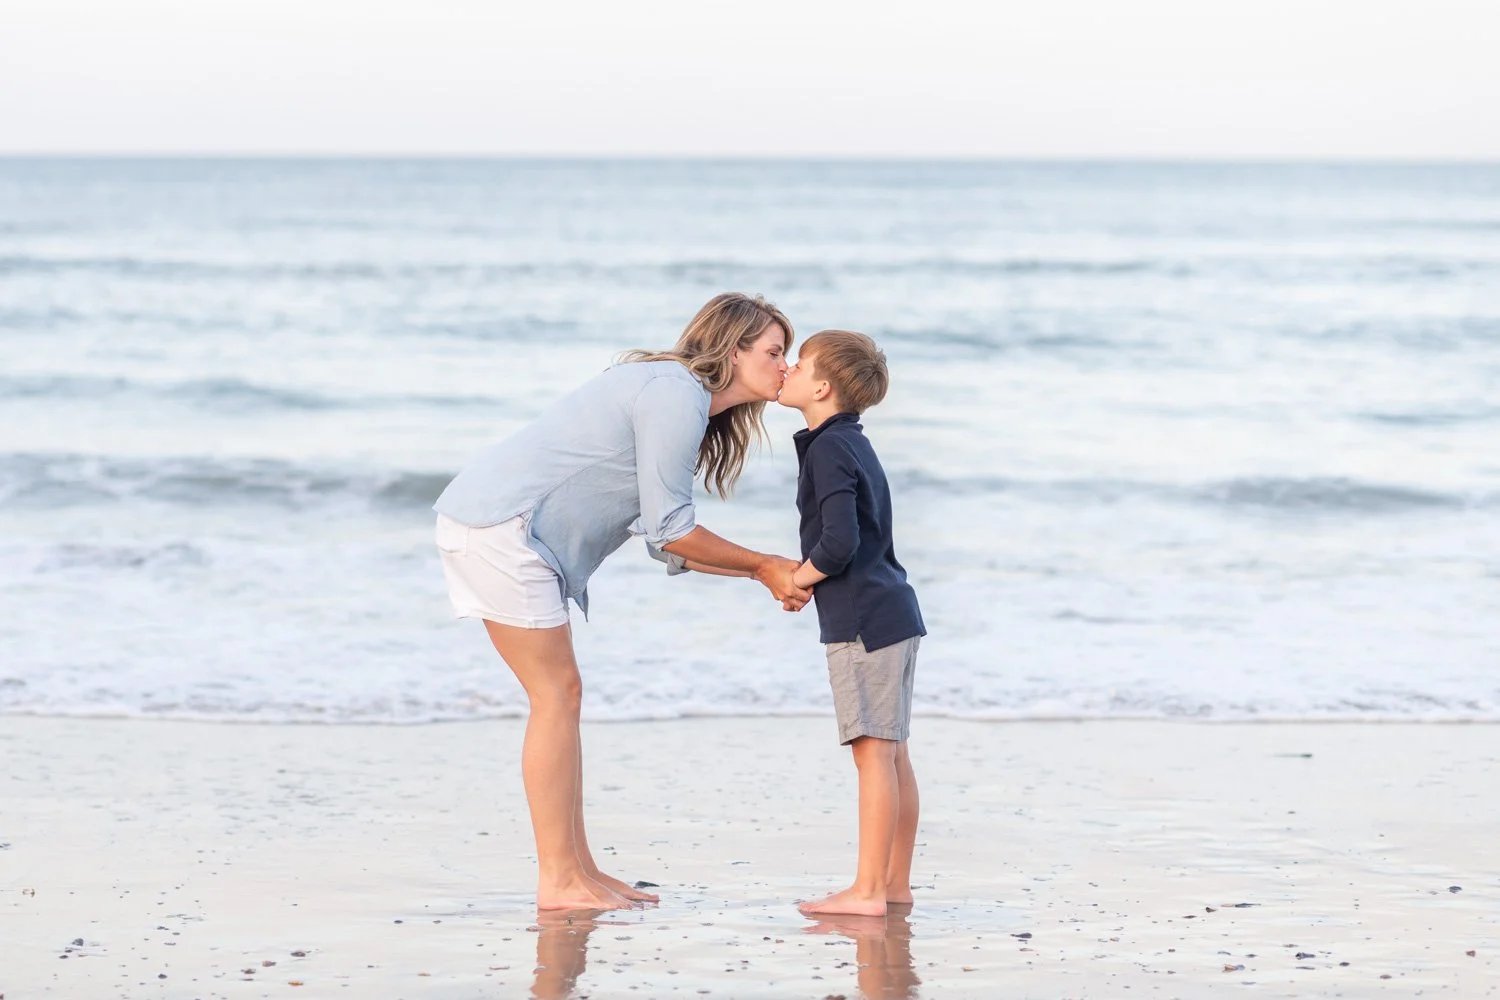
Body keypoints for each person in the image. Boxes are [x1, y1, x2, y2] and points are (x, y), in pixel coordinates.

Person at [433, 293, 811, 911]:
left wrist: (760, 575)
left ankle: (578, 870)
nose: (784, 366)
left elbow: (667, 545)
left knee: (561, 696)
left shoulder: (680, 400)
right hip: (503, 528)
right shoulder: (674, 393)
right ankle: (559, 881)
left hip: (499, 526)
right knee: (556, 696)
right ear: (732, 348)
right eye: (773, 352)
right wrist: (768, 566)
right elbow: (673, 531)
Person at [775, 329, 926, 917]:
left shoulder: (830, 448)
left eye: (799, 361)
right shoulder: (848, 442)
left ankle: (867, 891)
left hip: (865, 620)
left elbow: (838, 544)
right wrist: (811, 580)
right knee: (891, 753)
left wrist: (798, 579)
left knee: (873, 753)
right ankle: (892, 885)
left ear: (823, 386)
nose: (786, 367)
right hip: (891, 611)